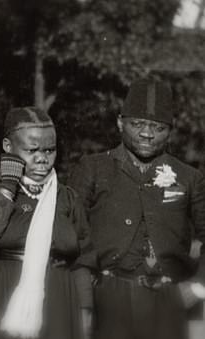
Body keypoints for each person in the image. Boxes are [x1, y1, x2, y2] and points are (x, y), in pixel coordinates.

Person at [68, 79, 205, 339]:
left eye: (158, 127)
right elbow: (72, 232)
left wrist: (199, 285)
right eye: (137, 124)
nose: (147, 134)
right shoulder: (93, 168)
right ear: (120, 122)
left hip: (170, 297)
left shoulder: (189, 177)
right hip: (107, 295)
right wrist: (84, 295)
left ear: (170, 132)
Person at [0, 107, 95, 339]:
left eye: (50, 150)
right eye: (32, 150)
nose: (42, 158)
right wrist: (9, 184)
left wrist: (85, 309)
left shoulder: (65, 195)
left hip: (57, 296)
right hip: (0, 290)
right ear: (8, 147)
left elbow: (83, 256)